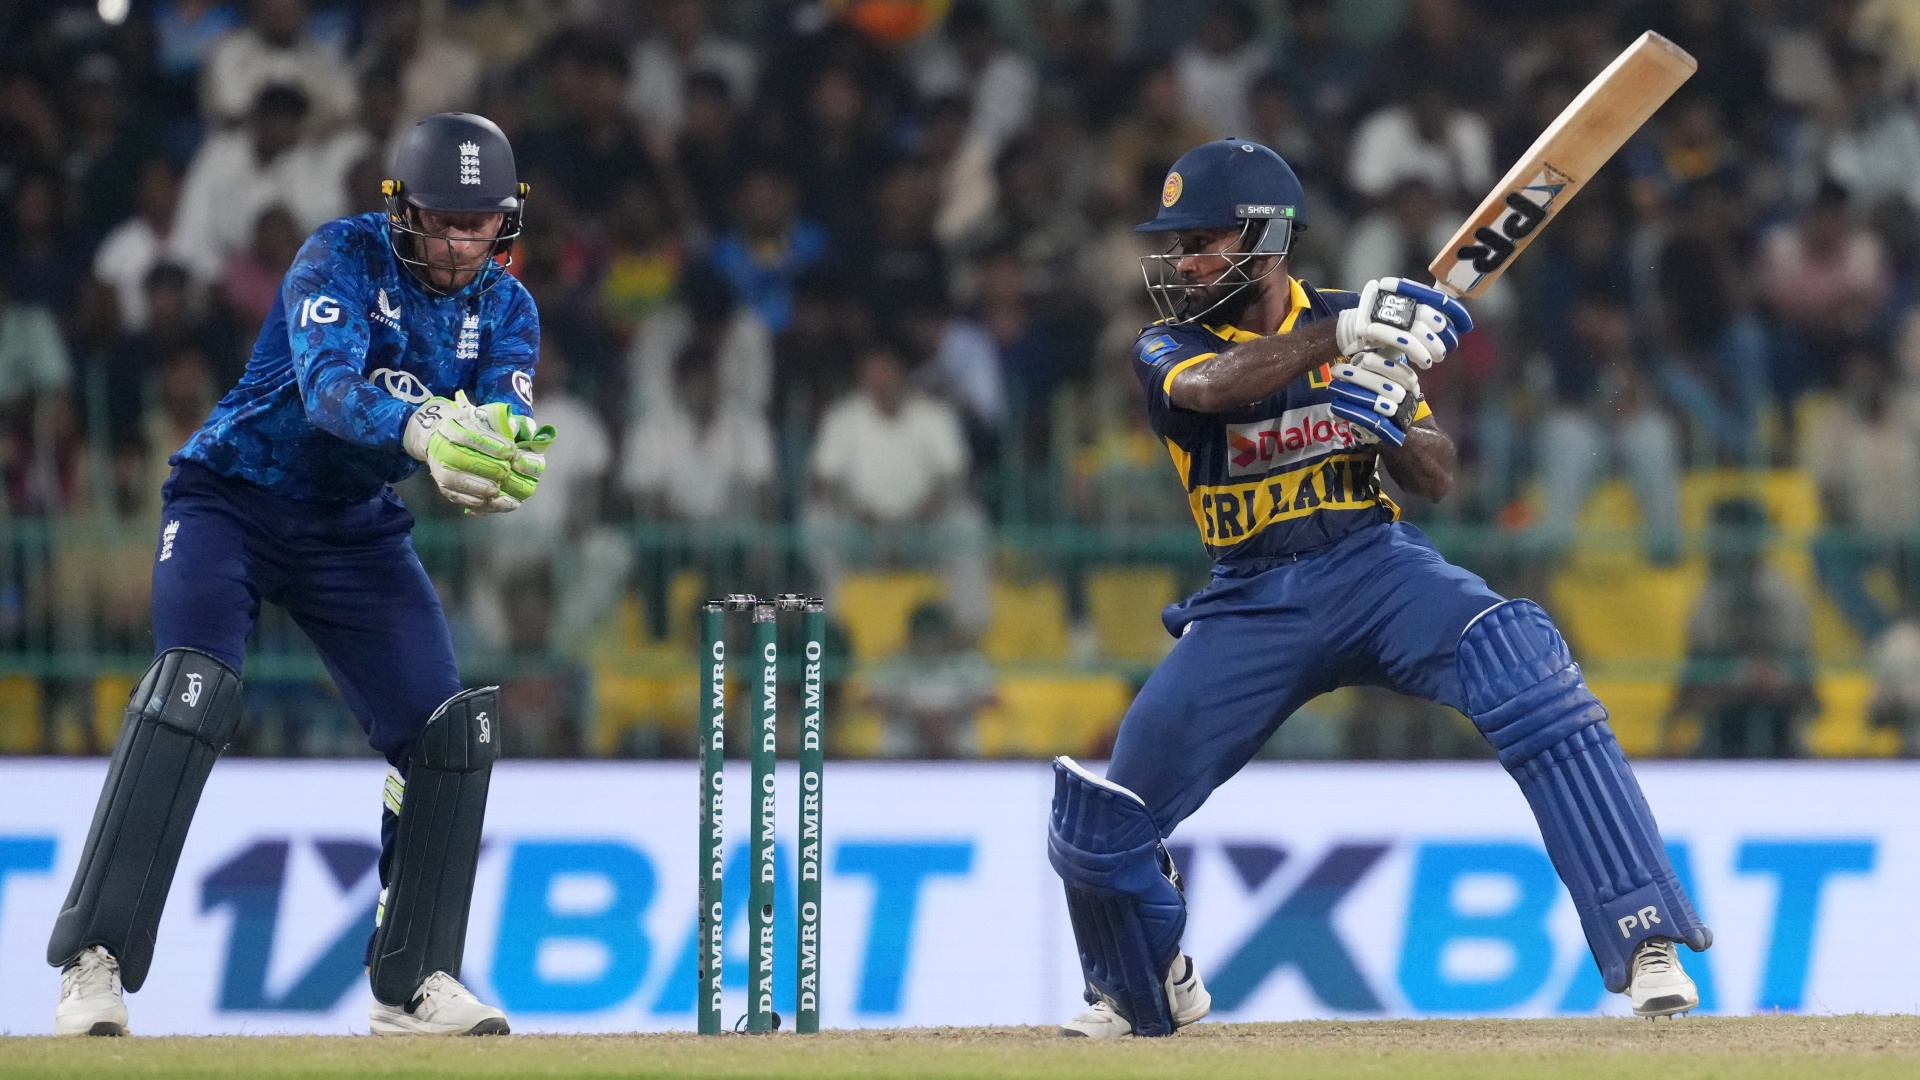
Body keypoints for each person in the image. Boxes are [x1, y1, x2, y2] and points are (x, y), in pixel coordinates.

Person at [1049, 139, 1710, 1039]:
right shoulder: (1176, 343)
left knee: (1523, 663)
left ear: (1266, 239)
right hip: (1250, 598)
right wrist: (1345, 336)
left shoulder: (1357, 323)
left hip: (1373, 564)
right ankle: (1140, 985)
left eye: (1201, 242)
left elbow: (1436, 477)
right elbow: (1210, 389)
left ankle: (1646, 938)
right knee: (1106, 821)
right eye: (1179, 246)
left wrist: (1393, 418)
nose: (1184, 263)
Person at [46, 113, 554, 1039]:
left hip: (352, 527)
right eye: (442, 221)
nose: (458, 244)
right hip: (231, 500)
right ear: (404, 210)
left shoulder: (509, 309)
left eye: (478, 224)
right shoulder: (340, 256)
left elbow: (501, 419)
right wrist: (425, 429)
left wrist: (501, 463)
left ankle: (412, 981)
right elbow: (327, 391)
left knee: (445, 732)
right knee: (190, 694)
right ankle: (94, 964)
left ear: (505, 221)